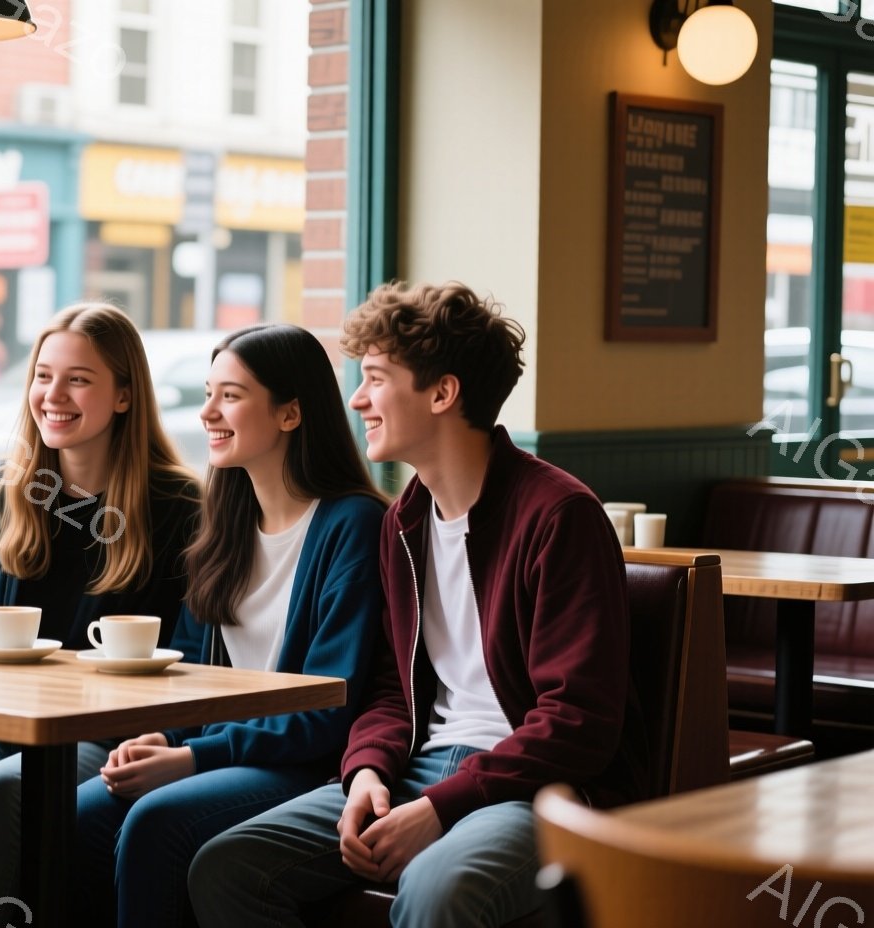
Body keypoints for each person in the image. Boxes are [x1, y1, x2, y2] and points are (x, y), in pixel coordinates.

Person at [189, 282, 647, 928]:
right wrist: (366, 773)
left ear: (442, 393)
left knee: (435, 889)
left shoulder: (559, 516)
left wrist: (440, 808)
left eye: (375, 378)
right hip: (418, 767)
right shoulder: (403, 521)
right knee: (228, 866)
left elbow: (577, 722)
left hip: (536, 789)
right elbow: (387, 688)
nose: (356, 399)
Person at [73, 324, 384, 928]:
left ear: (291, 413)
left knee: (155, 819)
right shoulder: (225, 522)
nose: (209, 412)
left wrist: (193, 758)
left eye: (231, 396)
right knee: (80, 815)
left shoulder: (352, 525)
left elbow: (326, 710)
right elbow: (190, 669)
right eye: (208, 392)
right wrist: (166, 738)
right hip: (227, 753)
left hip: (306, 762)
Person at [0, 301, 202, 901]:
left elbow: (194, 651)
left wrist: (164, 734)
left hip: (107, 732)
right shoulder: (2, 486)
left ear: (123, 395)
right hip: (0, 714)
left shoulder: (180, 506)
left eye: (78, 379)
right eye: (43, 375)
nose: (53, 395)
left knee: (13, 787)